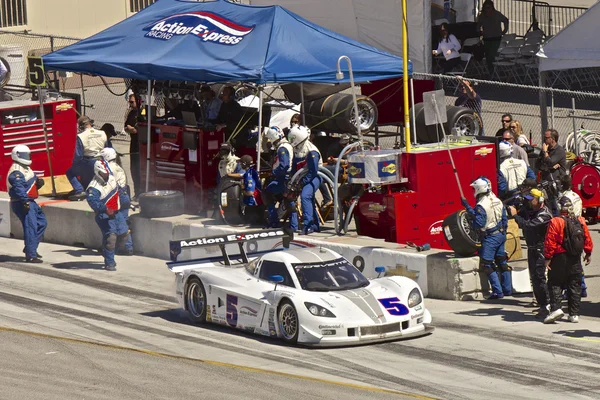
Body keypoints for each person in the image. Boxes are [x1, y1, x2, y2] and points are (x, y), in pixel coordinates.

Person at [543, 196, 593, 324]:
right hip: (575, 257)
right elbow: (586, 237)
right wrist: (588, 253)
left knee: (555, 282)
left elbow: (550, 241)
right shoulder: (580, 220)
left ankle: (556, 308)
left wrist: (548, 258)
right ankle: (574, 314)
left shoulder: (556, 221)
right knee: (574, 284)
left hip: (559, 257)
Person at [462, 177, 511, 299]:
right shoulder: (497, 200)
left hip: (490, 237)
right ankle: (507, 289)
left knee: (486, 264)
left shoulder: (481, 205)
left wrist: (468, 208)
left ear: (479, 189)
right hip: (501, 234)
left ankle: (497, 292)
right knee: (501, 261)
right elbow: (505, 219)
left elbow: (478, 223)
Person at [508, 188, 552, 318]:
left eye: (531, 200)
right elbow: (523, 216)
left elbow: (528, 226)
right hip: (532, 248)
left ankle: (547, 305)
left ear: (539, 200)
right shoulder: (532, 210)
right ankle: (542, 305)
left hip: (541, 249)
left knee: (540, 278)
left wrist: (515, 215)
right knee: (534, 278)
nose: (529, 202)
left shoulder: (545, 214)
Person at [86, 160, 131, 271]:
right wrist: (105, 209)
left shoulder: (111, 178)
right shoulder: (93, 188)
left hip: (117, 212)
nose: (106, 175)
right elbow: (93, 202)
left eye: (107, 173)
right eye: (103, 173)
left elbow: (119, 191)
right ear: (98, 172)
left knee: (124, 234)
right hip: (103, 215)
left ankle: (106, 252)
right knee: (111, 237)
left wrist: (127, 201)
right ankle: (109, 262)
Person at [7, 145, 47, 263]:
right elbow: (19, 189)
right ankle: (31, 255)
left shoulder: (25, 168)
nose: (27, 157)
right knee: (31, 227)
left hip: (31, 201)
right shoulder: (16, 171)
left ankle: (31, 247)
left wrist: (38, 183)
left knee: (42, 223)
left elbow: (29, 184)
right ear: (17, 155)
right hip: (21, 202)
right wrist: (25, 201)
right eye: (25, 155)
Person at [289, 125, 323, 235]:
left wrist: (302, 183)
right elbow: (295, 168)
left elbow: (313, 171)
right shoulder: (297, 148)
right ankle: (315, 225)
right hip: (302, 177)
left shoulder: (312, 151)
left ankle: (308, 225)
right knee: (309, 199)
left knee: (305, 196)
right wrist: (292, 181)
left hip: (315, 176)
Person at [66, 116, 108, 201]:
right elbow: (108, 148)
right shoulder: (102, 133)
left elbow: (78, 155)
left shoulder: (81, 136)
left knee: (70, 171)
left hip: (89, 161)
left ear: (81, 126)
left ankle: (79, 190)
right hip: (102, 160)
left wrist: (75, 165)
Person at [263, 126, 298, 230]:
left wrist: (274, 173)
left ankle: (274, 221)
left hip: (283, 178)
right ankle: (294, 225)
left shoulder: (282, 148)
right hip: (289, 178)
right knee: (289, 200)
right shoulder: (287, 145)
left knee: (266, 193)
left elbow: (284, 165)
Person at [101, 147, 133, 256]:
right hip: (124, 196)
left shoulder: (106, 169)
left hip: (114, 197)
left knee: (109, 224)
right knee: (124, 223)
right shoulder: (119, 167)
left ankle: (108, 247)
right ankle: (128, 247)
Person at [560, 175, 587, 297]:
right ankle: (582, 287)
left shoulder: (563, 198)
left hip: (569, 230)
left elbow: (561, 215)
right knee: (577, 261)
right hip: (579, 228)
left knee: (567, 262)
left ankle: (568, 289)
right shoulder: (577, 196)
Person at [536, 129, 567, 216]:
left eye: (546, 138)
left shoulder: (559, 151)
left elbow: (550, 162)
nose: (544, 140)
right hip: (545, 182)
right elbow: (538, 165)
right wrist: (544, 154)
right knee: (546, 205)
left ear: (552, 139)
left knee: (555, 206)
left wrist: (546, 153)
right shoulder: (545, 150)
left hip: (556, 183)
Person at [476, 0, 509, 75]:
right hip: (486, 39)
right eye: (485, 8)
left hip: (496, 38)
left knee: (492, 55)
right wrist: (479, 31)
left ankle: (494, 72)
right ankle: (491, 71)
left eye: (489, 7)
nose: (487, 9)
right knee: (488, 56)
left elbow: (505, 20)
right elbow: (478, 25)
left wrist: (504, 31)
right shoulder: (482, 16)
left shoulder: (497, 14)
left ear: (492, 8)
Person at [125, 94, 141, 200]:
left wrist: (130, 128)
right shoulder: (131, 113)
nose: (130, 104)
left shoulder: (142, 113)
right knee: (133, 169)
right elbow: (126, 127)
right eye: (129, 102)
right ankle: (137, 192)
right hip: (133, 144)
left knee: (139, 169)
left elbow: (135, 130)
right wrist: (130, 128)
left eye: (132, 102)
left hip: (141, 145)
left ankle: (141, 192)